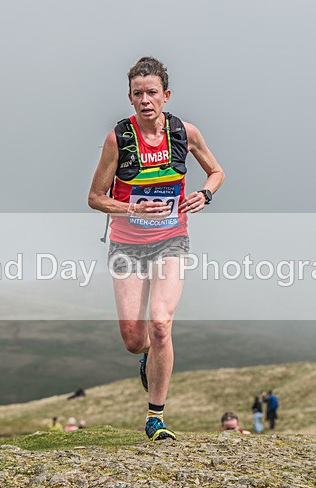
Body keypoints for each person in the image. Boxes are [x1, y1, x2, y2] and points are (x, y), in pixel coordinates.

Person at [88, 57, 224, 442]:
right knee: (135, 339)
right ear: (129, 98)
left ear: (166, 95)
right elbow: (95, 197)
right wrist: (132, 207)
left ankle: (155, 417)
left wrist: (204, 194)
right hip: (127, 246)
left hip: (171, 241)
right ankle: (148, 354)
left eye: (152, 92)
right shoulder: (120, 138)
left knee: (161, 323)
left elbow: (217, 171)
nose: (145, 100)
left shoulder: (184, 132)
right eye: (137, 93)